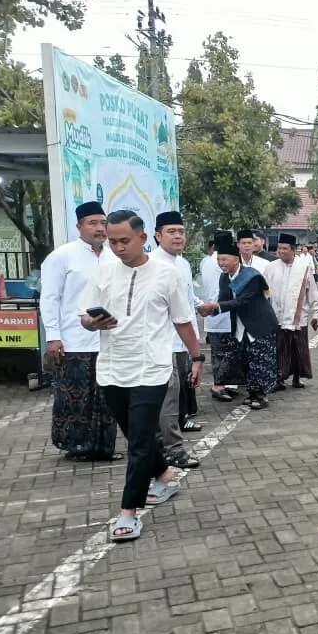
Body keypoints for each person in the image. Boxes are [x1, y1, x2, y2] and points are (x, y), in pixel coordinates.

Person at [79, 210, 203, 542]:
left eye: (124, 241)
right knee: (139, 436)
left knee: (137, 442)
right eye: (112, 241)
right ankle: (164, 475)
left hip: (152, 369)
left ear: (143, 238)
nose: (117, 247)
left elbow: (182, 320)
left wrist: (196, 357)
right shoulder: (103, 273)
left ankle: (128, 513)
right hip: (112, 370)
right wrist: (93, 322)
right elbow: (85, 316)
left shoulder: (166, 274)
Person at [40, 200, 119, 462]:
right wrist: (53, 337)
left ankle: (103, 447)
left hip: (108, 340)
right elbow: (49, 298)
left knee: (106, 398)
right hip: (74, 341)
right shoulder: (62, 257)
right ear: (79, 226)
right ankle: (77, 448)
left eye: (103, 223)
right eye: (93, 223)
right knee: (76, 398)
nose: (99, 229)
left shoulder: (113, 256)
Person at [198, 234, 278, 410]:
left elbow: (241, 302)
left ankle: (262, 396)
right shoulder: (224, 277)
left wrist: (215, 306)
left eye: (224, 259)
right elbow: (223, 300)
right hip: (240, 326)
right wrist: (209, 311)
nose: (221, 263)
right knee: (246, 361)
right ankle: (252, 393)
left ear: (236, 259)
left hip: (259, 325)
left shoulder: (252, 276)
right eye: (218, 259)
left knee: (260, 361)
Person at [152, 211, 203, 470]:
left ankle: (164, 444)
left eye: (181, 231)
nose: (178, 236)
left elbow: (187, 299)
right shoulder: (152, 265)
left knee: (178, 396)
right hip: (163, 343)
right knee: (169, 398)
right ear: (157, 236)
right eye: (171, 231)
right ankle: (173, 450)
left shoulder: (182, 264)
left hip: (184, 340)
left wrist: (202, 306)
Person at [266, 234, 318, 390]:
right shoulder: (271, 268)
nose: (281, 252)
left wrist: (316, 313)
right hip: (277, 315)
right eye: (279, 248)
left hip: (299, 317)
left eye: (285, 249)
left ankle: (297, 377)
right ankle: (279, 378)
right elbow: (265, 291)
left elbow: (312, 292)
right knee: (280, 348)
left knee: (298, 349)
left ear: (293, 250)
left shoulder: (304, 267)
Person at [200, 231, 244, 403]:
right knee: (222, 354)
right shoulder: (221, 262)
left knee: (223, 353)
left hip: (217, 312)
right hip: (220, 311)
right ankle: (218, 386)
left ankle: (224, 384)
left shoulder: (207, 261)